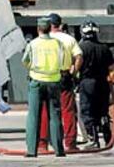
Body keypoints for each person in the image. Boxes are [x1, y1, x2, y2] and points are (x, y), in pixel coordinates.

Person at [39, 13, 83, 152]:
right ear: (60, 25)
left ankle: (42, 144)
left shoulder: (42, 39)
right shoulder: (69, 39)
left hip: (46, 77)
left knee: (45, 111)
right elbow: (79, 57)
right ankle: (70, 143)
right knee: (68, 110)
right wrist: (74, 72)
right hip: (64, 77)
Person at [22, 17, 65, 158]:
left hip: (37, 81)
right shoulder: (58, 43)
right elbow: (63, 60)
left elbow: (25, 61)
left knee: (34, 116)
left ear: (38, 29)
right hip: (54, 81)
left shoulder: (33, 44)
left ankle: (31, 151)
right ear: (50, 28)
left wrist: (32, 68)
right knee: (55, 116)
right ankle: (59, 150)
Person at [78, 19, 114, 149]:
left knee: (88, 111)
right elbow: (111, 69)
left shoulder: (81, 48)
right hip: (103, 84)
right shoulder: (105, 48)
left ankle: (93, 140)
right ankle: (107, 137)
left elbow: (77, 64)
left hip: (87, 83)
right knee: (103, 110)